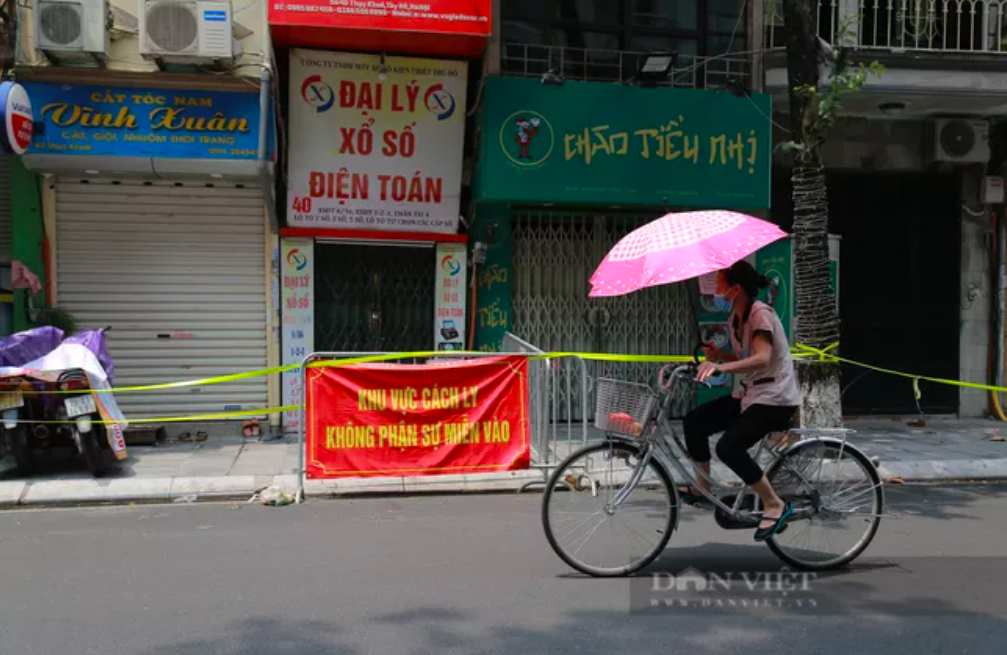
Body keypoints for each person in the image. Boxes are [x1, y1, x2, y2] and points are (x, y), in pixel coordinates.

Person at [679, 260, 802, 542]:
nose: (717, 290)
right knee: (694, 421)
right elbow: (743, 359)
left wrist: (722, 369)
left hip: (774, 399)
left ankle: (774, 504)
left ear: (736, 289)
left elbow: (762, 357)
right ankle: (702, 487)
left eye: (721, 284)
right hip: (750, 394)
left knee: (729, 447)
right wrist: (719, 355)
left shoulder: (760, 314)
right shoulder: (735, 316)